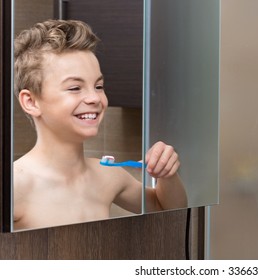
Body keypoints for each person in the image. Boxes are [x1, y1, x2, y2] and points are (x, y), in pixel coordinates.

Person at [13, 19, 187, 230]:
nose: (94, 98)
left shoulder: (108, 175)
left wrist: (167, 176)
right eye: (75, 88)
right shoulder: (15, 187)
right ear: (31, 101)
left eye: (98, 86)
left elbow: (167, 211)